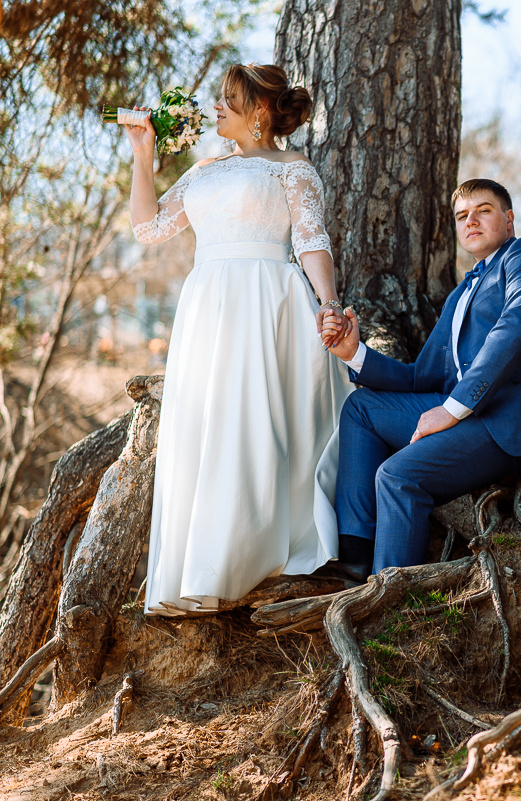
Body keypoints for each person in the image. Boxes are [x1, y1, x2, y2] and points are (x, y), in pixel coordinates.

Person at [126, 64, 354, 615]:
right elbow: (149, 228)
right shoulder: (203, 170)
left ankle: (260, 548)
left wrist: (327, 305)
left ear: (260, 110)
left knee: (257, 420)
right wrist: (142, 156)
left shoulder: (292, 168)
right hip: (208, 304)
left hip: (268, 300)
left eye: (231, 98)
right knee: (210, 424)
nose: (217, 105)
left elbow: (311, 239)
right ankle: (207, 562)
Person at [320, 179, 521, 580]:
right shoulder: (460, 294)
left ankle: (389, 601)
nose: (472, 221)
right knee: (362, 407)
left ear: (509, 219)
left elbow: (514, 331)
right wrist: (354, 354)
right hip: (471, 415)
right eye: (462, 216)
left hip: (517, 418)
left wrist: (450, 409)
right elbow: (423, 376)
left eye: (483, 210)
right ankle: (354, 556)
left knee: (399, 475)